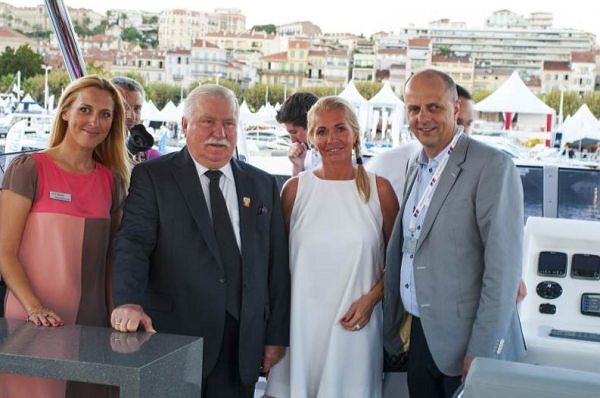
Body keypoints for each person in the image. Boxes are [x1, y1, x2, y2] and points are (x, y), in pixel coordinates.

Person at [111, 84, 290, 398]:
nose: (219, 133)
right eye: (208, 122)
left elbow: (275, 266)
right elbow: (133, 244)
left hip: (242, 346)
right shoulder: (153, 177)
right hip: (172, 337)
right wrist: (127, 301)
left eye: (229, 123)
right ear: (185, 125)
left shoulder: (262, 184)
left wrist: (275, 337)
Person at [383, 69, 526, 398]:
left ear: (455, 109)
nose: (423, 118)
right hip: (421, 334)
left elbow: (503, 272)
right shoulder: (415, 165)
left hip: (468, 344)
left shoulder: (492, 167)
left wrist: (482, 351)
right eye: (414, 109)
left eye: (434, 107)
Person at [0, 75, 129, 397]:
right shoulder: (29, 168)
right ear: (66, 112)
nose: (94, 122)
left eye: (105, 114)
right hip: (34, 319)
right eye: (85, 110)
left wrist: (119, 315)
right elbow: (5, 251)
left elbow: (112, 259)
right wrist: (34, 308)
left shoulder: (111, 181)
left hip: (94, 322)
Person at [266, 96, 399, 397]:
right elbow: (275, 264)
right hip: (300, 329)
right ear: (311, 138)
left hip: (356, 329)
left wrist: (372, 299)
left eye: (340, 128)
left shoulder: (380, 190)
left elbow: (400, 261)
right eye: (321, 131)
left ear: (355, 134)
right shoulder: (295, 190)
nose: (331, 139)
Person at [111, 76, 161, 162]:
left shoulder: (152, 157)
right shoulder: (90, 154)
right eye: (123, 107)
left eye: (137, 108)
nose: (130, 116)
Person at [276, 92, 320, 176]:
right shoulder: (308, 155)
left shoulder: (339, 158)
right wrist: (298, 166)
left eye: (294, 132)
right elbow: (297, 189)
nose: (292, 140)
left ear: (311, 126)